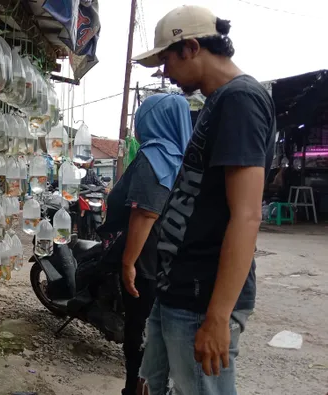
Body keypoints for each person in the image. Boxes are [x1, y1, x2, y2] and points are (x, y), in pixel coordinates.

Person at [131, 5, 276, 394]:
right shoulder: (217, 101)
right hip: (177, 286)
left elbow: (246, 216)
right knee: (150, 385)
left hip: (201, 298)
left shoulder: (242, 101)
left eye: (166, 60)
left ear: (191, 47)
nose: (165, 73)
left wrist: (217, 317)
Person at [98, 93, 193, 395]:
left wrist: (127, 263)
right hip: (171, 262)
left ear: (153, 120)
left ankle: (135, 390)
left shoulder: (155, 154)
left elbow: (145, 212)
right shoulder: (185, 156)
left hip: (145, 263)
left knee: (139, 336)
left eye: (142, 117)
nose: (138, 125)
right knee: (161, 338)